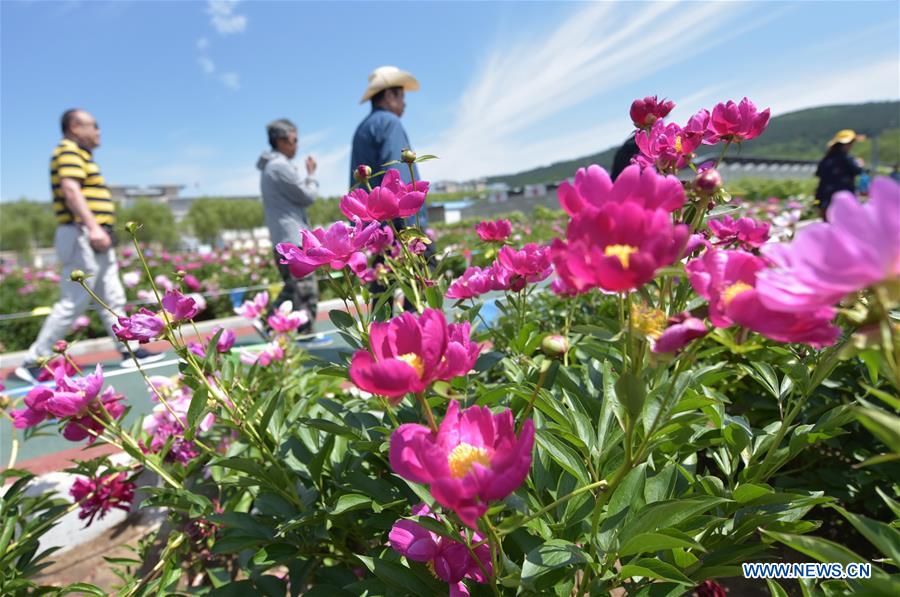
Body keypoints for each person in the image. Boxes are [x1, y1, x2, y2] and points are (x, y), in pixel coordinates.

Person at [15, 109, 163, 383]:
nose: (98, 132)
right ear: (74, 127)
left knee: (112, 297)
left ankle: (128, 349)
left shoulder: (80, 155)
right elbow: (71, 190)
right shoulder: (69, 151)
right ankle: (33, 360)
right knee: (74, 300)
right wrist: (93, 227)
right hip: (82, 233)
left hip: (94, 235)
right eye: (93, 126)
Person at [350, 66, 430, 314]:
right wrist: (410, 224)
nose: (404, 104)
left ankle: (378, 332)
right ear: (388, 97)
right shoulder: (390, 123)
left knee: (382, 281)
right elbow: (397, 178)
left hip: (373, 222)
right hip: (398, 222)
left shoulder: (363, 128)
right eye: (401, 97)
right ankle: (417, 333)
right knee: (420, 276)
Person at [257, 119, 330, 346]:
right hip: (293, 237)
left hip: (283, 237)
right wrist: (311, 176)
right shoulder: (279, 167)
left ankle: (268, 321)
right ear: (280, 140)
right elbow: (307, 196)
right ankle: (305, 333)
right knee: (306, 288)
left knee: (292, 287)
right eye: (294, 140)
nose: (297, 145)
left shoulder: (271, 167)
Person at [814, 129, 864, 219]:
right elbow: (857, 171)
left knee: (829, 225)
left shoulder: (827, 159)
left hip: (825, 198)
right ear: (846, 144)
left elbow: (818, 174)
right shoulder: (846, 159)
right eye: (851, 143)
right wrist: (860, 165)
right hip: (844, 198)